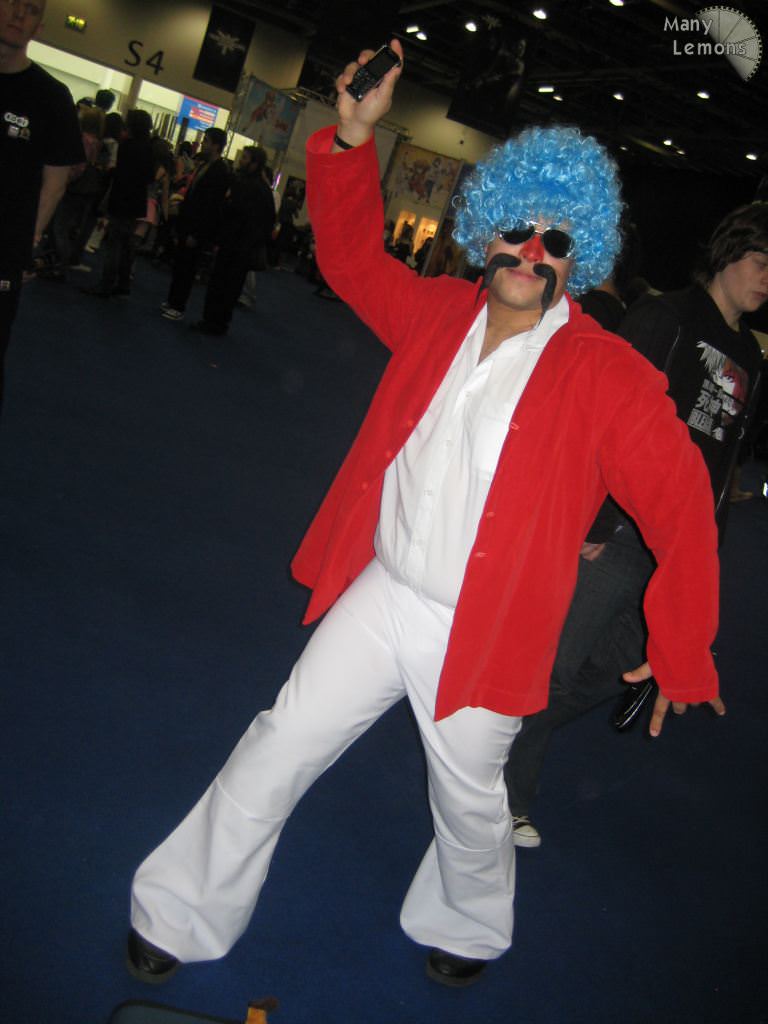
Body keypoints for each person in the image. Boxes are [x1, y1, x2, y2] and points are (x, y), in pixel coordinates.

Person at [127, 40, 720, 990]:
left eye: (557, 241)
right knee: (280, 741)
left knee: (471, 802)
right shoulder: (437, 313)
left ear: (581, 259)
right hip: (386, 590)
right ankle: (180, 910)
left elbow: (684, 503)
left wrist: (681, 641)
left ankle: (469, 922)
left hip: (486, 629)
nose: (531, 252)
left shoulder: (607, 376)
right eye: (517, 229)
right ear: (486, 232)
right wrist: (350, 138)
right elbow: (349, 258)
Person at [504, 202, 766, 848]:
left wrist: (708, 547)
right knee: (555, 667)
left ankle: (492, 735)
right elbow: (599, 417)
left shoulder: (749, 356)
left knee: (624, 664)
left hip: (677, 548)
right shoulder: (665, 318)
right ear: (730, 253)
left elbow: (725, 456)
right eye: (762, 262)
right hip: (622, 530)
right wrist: (592, 518)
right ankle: (505, 799)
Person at [0, 0, 83, 409]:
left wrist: (27, 242)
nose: (19, 15)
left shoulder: (51, 98)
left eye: (31, 10)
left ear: (39, 26)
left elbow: (55, 182)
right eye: (12, 3)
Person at [160, 126, 230, 321]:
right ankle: (172, 300)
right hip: (188, 222)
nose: (202, 144)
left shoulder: (220, 171)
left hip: (198, 227)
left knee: (188, 268)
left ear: (216, 145)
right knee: (180, 264)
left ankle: (178, 305)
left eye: (206, 141)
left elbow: (211, 207)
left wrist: (198, 233)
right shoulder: (205, 165)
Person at [84, 107, 154, 298]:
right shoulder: (148, 147)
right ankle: (123, 283)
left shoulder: (127, 146)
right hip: (136, 201)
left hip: (121, 199)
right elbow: (149, 177)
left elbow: (120, 175)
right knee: (127, 245)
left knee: (114, 244)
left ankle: (106, 283)